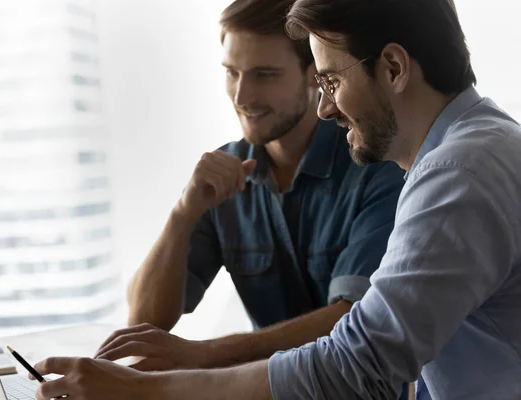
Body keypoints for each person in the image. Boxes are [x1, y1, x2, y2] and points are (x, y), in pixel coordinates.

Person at [31, 0, 521, 398]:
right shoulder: (468, 151)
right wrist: (183, 212)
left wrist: (149, 390)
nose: (325, 105)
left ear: (392, 68)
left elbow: (358, 363)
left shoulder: (457, 172)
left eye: (330, 81)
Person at [92, 0, 403, 374]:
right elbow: (145, 321)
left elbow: (354, 318)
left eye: (265, 75)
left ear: (314, 74)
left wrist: (205, 354)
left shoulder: (376, 166)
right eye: (231, 73)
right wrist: (183, 214)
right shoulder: (221, 176)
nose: (241, 97)